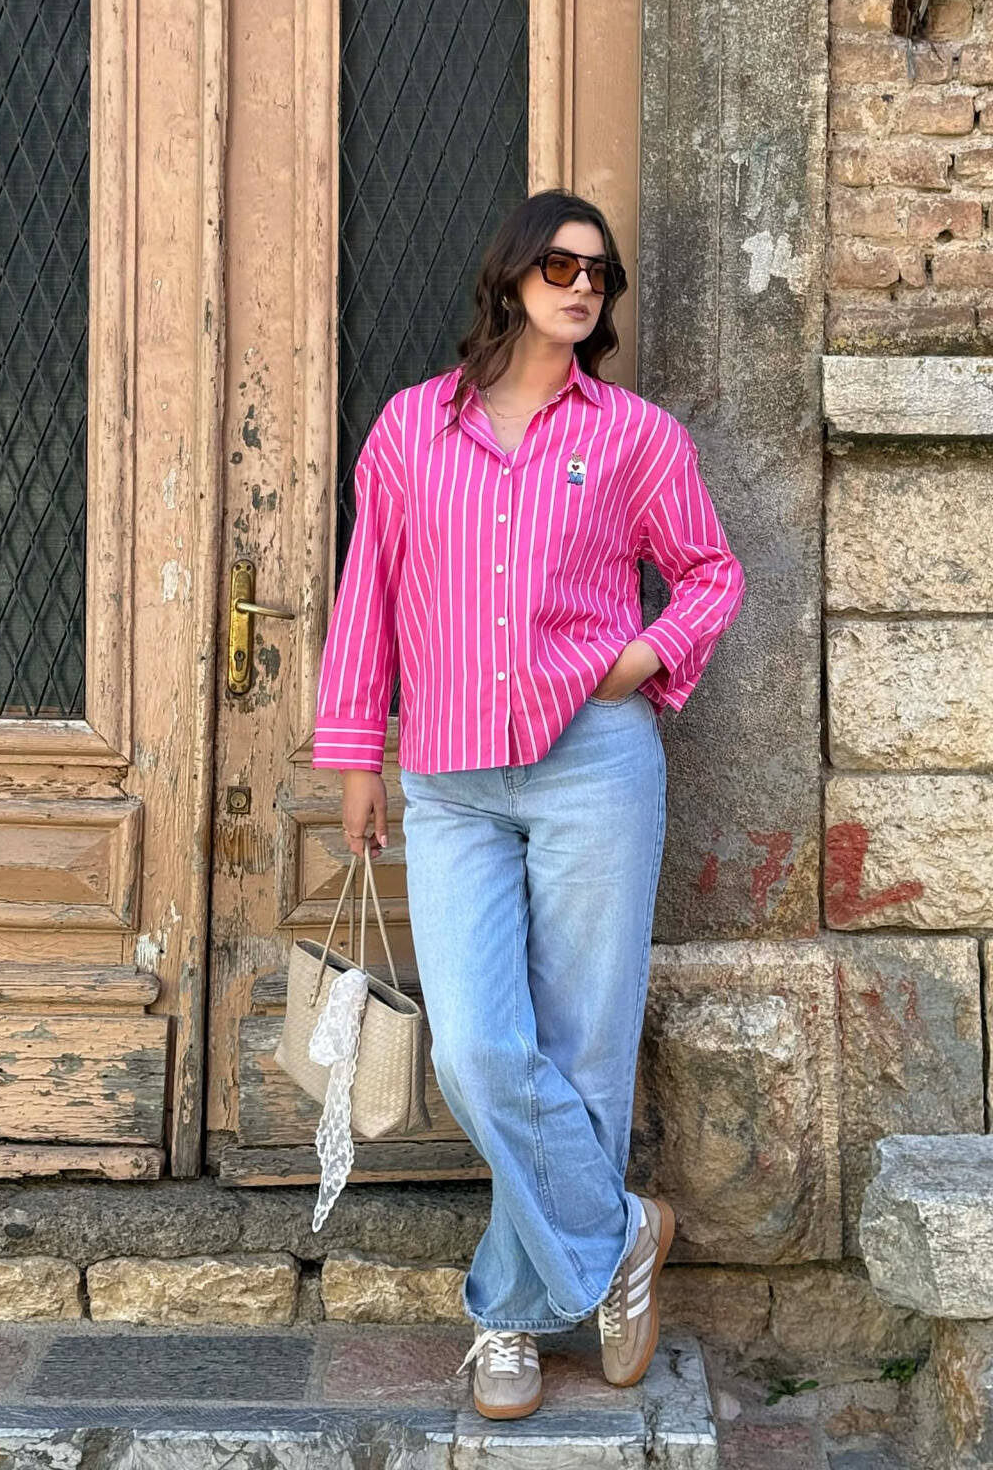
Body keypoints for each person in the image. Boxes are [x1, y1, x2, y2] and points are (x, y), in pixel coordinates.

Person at [312, 188, 746, 1421]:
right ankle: (624, 1235)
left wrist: (643, 657)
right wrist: (355, 756)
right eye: (557, 265)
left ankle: (509, 1311)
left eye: (597, 273)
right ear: (509, 277)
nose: (580, 285)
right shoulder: (410, 429)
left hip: (593, 762)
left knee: (585, 1047)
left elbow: (710, 574)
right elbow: (369, 595)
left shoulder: (636, 438)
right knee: (479, 1048)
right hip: (449, 778)